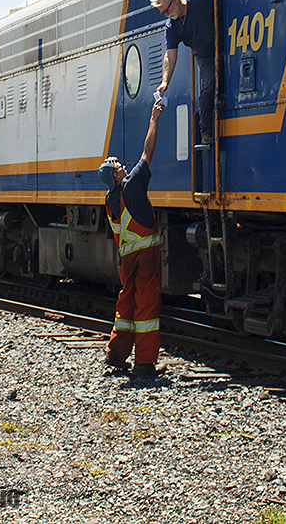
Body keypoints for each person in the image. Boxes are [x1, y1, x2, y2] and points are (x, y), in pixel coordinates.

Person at [98, 101, 165, 377]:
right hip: (147, 256)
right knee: (146, 305)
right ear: (116, 175)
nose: (123, 166)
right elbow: (147, 151)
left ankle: (116, 355)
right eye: (118, 166)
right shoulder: (133, 185)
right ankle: (145, 363)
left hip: (127, 259)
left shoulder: (109, 200)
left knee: (126, 305)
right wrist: (154, 118)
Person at [150, 0, 216, 144]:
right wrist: (165, 81)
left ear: (175, 0)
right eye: (163, 13)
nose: (166, 15)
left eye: (166, 10)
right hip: (205, 56)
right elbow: (170, 56)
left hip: (227, 41)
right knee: (209, 84)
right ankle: (206, 131)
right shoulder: (172, 27)